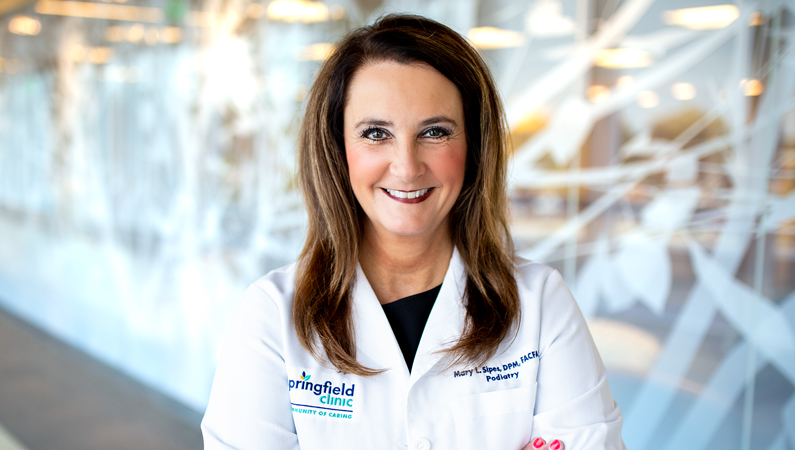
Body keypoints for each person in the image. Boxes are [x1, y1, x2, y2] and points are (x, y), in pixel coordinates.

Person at [201, 14, 626, 450]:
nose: (406, 166)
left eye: (435, 132)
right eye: (376, 133)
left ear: (474, 148)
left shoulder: (540, 306)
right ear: (337, 149)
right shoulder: (273, 316)